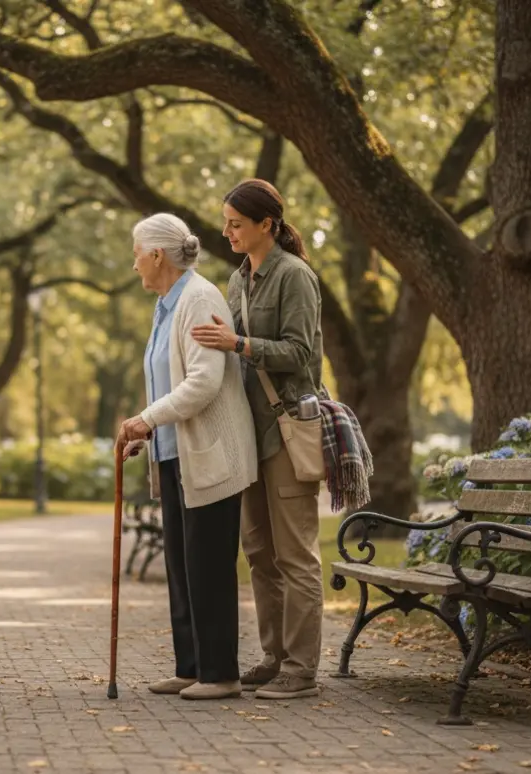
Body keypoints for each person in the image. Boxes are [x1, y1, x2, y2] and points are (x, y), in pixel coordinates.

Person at [190, 179, 326, 700]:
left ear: (266, 224)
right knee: (260, 554)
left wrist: (239, 343)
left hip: (287, 429)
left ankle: (301, 669)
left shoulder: (294, 276)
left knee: (296, 556)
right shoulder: (237, 279)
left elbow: (301, 354)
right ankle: (274, 657)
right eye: (225, 223)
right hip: (249, 434)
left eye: (236, 224)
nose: (227, 232)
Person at [118, 213, 258, 701]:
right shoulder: (165, 306)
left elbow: (203, 381)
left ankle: (221, 675)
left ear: (158, 255)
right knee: (181, 565)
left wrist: (148, 418)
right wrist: (147, 430)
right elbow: (167, 379)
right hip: (175, 455)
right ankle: (192, 667)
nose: (134, 264)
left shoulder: (198, 298)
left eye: (137, 254)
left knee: (208, 567)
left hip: (209, 454)